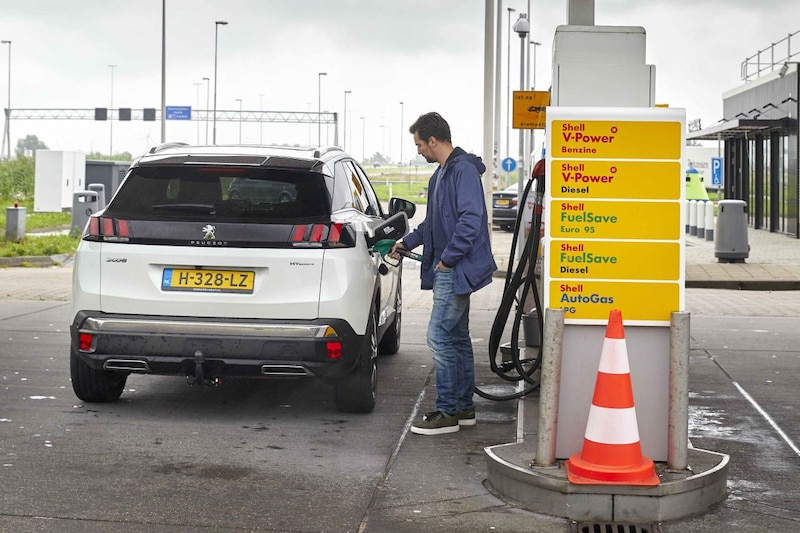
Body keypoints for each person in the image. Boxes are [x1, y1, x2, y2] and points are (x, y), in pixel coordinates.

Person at [391, 112, 497, 435]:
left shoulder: (462, 171)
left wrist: (447, 261)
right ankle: (464, 408)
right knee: (457, 337)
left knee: (438, 336)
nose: (419, 150)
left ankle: (447, 411)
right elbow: (432, 223)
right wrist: (405, 241)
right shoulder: (440, 176)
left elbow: (470, 220)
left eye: (420, 144)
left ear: (433, 141)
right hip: (449, 268)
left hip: (454, 269)